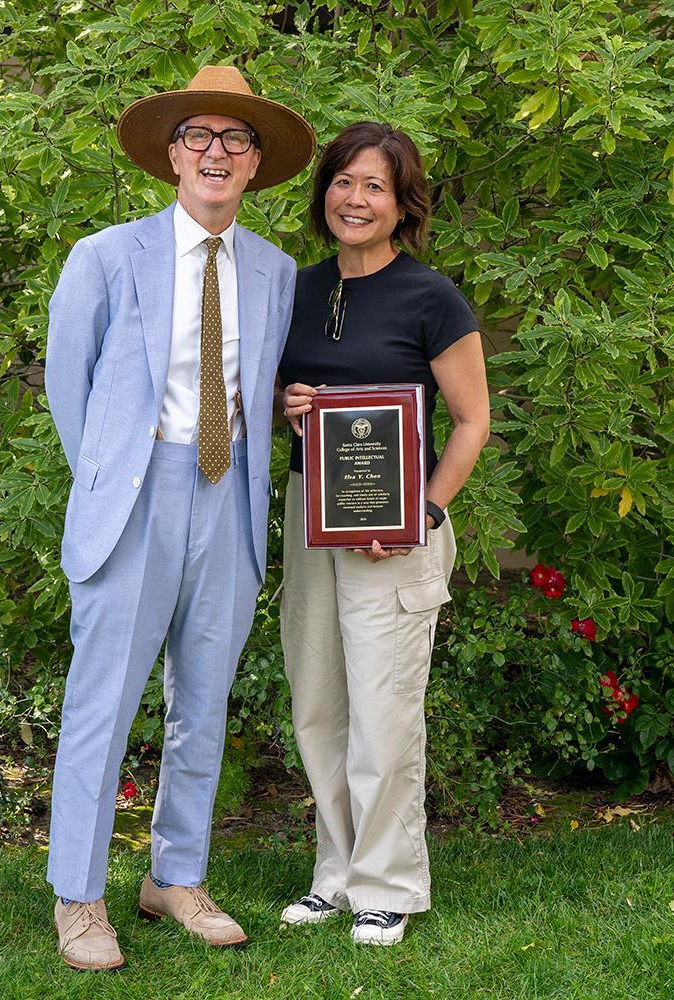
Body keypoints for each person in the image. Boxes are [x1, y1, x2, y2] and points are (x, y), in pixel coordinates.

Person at [44, 65, 314, 971]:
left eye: (235, 140)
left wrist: (291, 406)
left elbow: (259, 381)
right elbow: (68, 384)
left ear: (254, 165)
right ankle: (80, 900)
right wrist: (110, 482)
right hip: (132, 501)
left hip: (228, 495)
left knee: (204, 702)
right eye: (199, 135)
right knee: (102, 704)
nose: (216, 152)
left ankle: (177, 877)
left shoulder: (276, 272)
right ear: (171, 155)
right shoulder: (106, 256)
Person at [276, 121, 489, 946]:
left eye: (375, 187)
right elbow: (270, 405)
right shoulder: (297, 290)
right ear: (323, 191)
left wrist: (423, 513)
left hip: (396, 537)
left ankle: (389, 886)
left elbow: (471, 422)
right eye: (343, 181)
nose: (354, 199)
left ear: (403, 206)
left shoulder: (431, 297)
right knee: (318, 706)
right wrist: (287, 407)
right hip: (311, 522)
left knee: (385, 711)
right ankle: (337, 875)